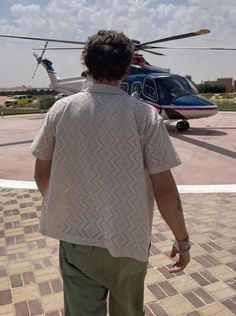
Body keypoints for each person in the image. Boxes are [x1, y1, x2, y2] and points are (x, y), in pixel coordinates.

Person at [31, 29, 190, 316]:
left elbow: (42, 175)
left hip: (77, 240)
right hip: (129, 241)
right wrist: (182, 241)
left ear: (87, 65)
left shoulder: (60, 110)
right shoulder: (144, 116)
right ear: (127, 67)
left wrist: (65, 209)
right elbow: (164, 189)